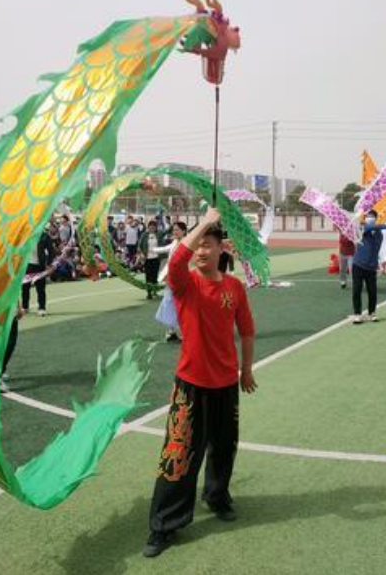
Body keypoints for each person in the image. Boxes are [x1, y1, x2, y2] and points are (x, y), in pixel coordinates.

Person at [144, 207, 257, 559]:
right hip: (190, 386)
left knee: (223, 448)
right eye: (199, 245)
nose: (202, 251)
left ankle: (217, 496)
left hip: (226, 384)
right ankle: (164, 524)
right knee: (178, 455)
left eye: (209, 244)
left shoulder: (235, 287)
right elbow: (177, 259)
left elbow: (247, 331)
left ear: (223, 248)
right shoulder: (185, 283)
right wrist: (204, 222)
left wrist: (246, 370)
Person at [152, 221, 188, 342]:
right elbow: (165, 249)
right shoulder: (175, 242)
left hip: (182, 278)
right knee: (168, 302)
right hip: (171, 277)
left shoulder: (186, 243)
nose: (175, 232)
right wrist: (152, 249)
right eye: (174, 230)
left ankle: (183, 332)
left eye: (177, 229)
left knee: (182, 305)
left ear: (184, 231)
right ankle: (171, 331)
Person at [351, 210, 386, 324]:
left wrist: (376, 227)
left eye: (372, 217)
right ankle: (357, 314)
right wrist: (365, 224)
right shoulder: (362, 230)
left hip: (371, 267)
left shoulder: (379, 235)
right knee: (357, 290)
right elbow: (367, 229)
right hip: (358, 265)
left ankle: (372, 313)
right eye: (368, 216)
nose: (369, 218)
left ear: (375, 219)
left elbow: (383, 227)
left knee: (372, 291)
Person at [21, 228, 54, 316]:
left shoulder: (44, 235)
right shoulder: (24, 234)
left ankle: (42, 308)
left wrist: (49, 263)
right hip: (26, 265)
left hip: (40, 265)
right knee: (25, 288)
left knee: (40, 288)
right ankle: (25, 307)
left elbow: (51, 250)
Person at [138, 220, 163, 300]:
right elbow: (139, 246)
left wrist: (174, 222)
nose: (152, 228)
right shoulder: (144, 235)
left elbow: (167, 231)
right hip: (147, 259)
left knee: (155, 275)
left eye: (154, 226)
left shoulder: (158, 234)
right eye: (150, 226)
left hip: (156, 258)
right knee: (148, 276)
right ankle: (149, 293)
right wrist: (141, 254)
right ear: (148, 227)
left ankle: (154, 291)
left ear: (156, 227)